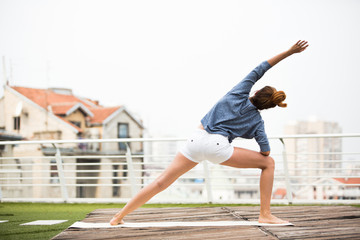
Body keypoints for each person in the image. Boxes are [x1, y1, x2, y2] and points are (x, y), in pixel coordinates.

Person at [110, 40, 309, 225]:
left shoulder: (239, 92)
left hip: (195, 140)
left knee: (161, 182)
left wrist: (290, 51)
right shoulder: (257, 121)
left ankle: (119, 216)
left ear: (255, 92)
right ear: (267, 107)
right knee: (269, 164)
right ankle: (265, 214)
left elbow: (261, 68)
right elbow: (265, 151)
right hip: (218, 148)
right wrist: (258, 143)